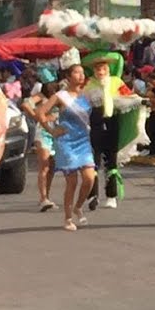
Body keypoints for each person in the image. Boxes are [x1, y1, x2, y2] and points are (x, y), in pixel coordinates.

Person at [34, 59, 98, 231]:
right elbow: (40, 112)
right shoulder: (60, 96)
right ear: (68, 77)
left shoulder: (88, 95)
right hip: (66, 142)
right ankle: (68, 217)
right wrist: (51, 130)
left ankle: (78, 206)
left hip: (83, 141)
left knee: (90, 178)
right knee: (72, 182)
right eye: (76, 72)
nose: (81, 75)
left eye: (82, 73)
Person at [83, 51, 139, 210]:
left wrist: (139, 101)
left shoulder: (116, 82)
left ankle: (111, 195)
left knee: (111, 161)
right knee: (93, 161)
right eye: (97, 69)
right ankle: (92, 195)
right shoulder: (89, 84)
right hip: (95, 123)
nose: (100, 72)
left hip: (112, 121)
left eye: (103, 69)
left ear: (109, 69)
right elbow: (82, 104)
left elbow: (129, 97)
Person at [21, 77, 60, 211]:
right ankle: (43, 198)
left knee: (52, 166)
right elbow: (26, 103)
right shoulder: (41, 96)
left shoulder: (60, 95)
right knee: (44, 165)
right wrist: (36, 116)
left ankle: (46, 197)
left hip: (56, 132)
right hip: (42, 132)